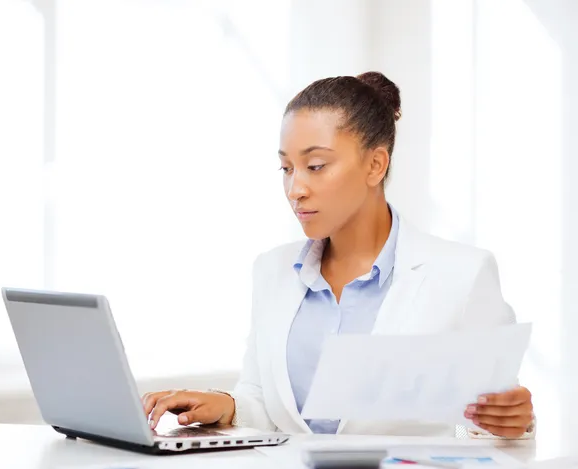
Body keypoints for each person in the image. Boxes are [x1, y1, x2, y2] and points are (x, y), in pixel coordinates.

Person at [142, 72, 535, 439]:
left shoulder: (462, 275)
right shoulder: (272, 271)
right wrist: (228, 406)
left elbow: (491, 425)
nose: (295, 188)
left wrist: (514, 422)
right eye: (286, 168)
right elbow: (265, 402)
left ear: (375, 165)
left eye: (316, 166)